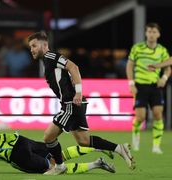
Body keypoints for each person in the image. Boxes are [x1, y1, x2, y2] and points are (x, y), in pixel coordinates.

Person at [27, 32, 135, 175]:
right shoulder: (47, 61)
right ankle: (119, 149)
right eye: (30, 47)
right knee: (83, 141)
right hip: (72, 103)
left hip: (71, 102)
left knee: (48, 136)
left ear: (44, 45)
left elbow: (74, 67)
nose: (32, 49)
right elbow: (69, 73)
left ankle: (59, 166)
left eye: (34, 45)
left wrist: (78, 92)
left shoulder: (50, 56)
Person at [0, 117, 115, 174]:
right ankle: (96, 149)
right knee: (59, 157)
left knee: (55, 169)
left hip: (16, 154)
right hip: (20, 140)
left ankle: (96, 164)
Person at [126, 22, 171, 154]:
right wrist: (131, 83)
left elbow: (168, 68)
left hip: (155, 86)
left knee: (158, 114)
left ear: (158, 34)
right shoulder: (137, 48)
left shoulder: (162, 50)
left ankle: (156, 146)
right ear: (146, 33)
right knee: (140, 117)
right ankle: (135, 137)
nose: (151, 34)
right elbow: (129, 65)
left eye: (154, 32)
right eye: (149, 32)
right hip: (140, 85)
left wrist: (164, 78)